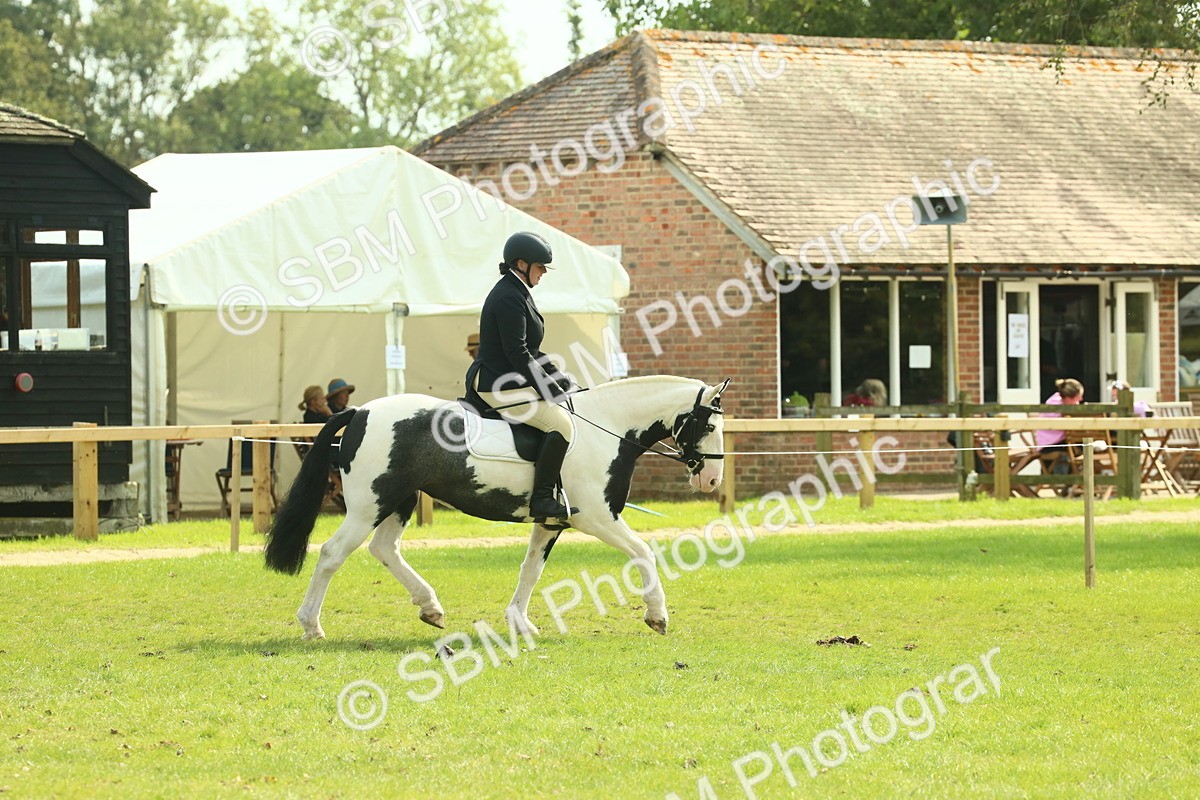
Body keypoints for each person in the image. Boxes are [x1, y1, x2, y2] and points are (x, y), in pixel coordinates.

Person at [467, 231, 576, 520]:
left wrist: (558, 376)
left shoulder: (517, 292)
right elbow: (517, 353)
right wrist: (547, 388)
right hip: (496, 383)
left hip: (509, 378)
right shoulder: (508, 297)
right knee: (560, 426)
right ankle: (541, 499)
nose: (543, 273)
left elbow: (531, 348)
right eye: (540, 267)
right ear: (521, 264)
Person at [1036, 378, 1085, 453]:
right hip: (1050, 445)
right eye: (1077, 398)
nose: (1080, 400)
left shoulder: (1058, 401)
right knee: (1086, 446)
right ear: (1069, 397)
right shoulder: (1055, 406)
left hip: (1056, 442)